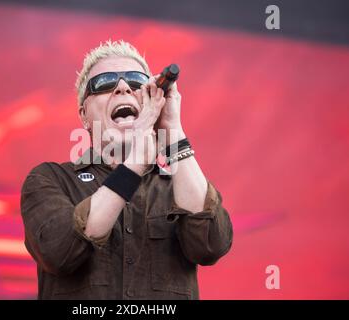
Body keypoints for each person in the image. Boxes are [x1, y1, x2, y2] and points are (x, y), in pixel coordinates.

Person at [20, 40, 233, 300]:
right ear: (84, 115)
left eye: (136, 83)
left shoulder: (177, 184)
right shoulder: (49, 179)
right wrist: (135, 162)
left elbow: (211, 244)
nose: (122, 87)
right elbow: (60, 252)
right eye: (105, 83)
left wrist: (172, 127)